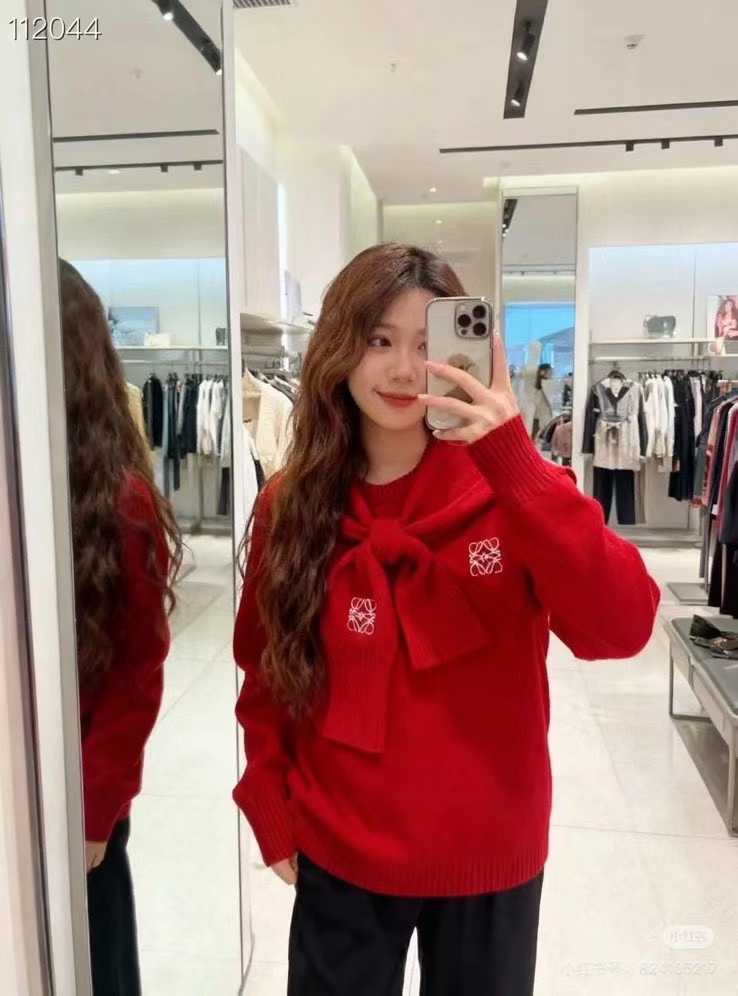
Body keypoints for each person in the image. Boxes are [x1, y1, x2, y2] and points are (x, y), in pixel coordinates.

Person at [233, 243, 660, 995]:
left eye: (427, 343)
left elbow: (621, 628)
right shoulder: (291, 505)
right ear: (339, 348)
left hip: (488, 850)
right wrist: (268, 795)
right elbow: (267, 667)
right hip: (340, 842)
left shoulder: (517, 491)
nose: (404, 370)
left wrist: (515, 462)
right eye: (379, 340)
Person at [59, 259, 182, 994]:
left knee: (95, 956)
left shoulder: (117, 502)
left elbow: (137, 674)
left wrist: (96, 811)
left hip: (77, 795)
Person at [531, 361, 553, 441]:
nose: (551, 374)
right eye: (550, 372)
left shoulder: (540, 386)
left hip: (539, 416)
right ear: (543, 373)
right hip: (542, 417)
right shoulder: (545, 385)